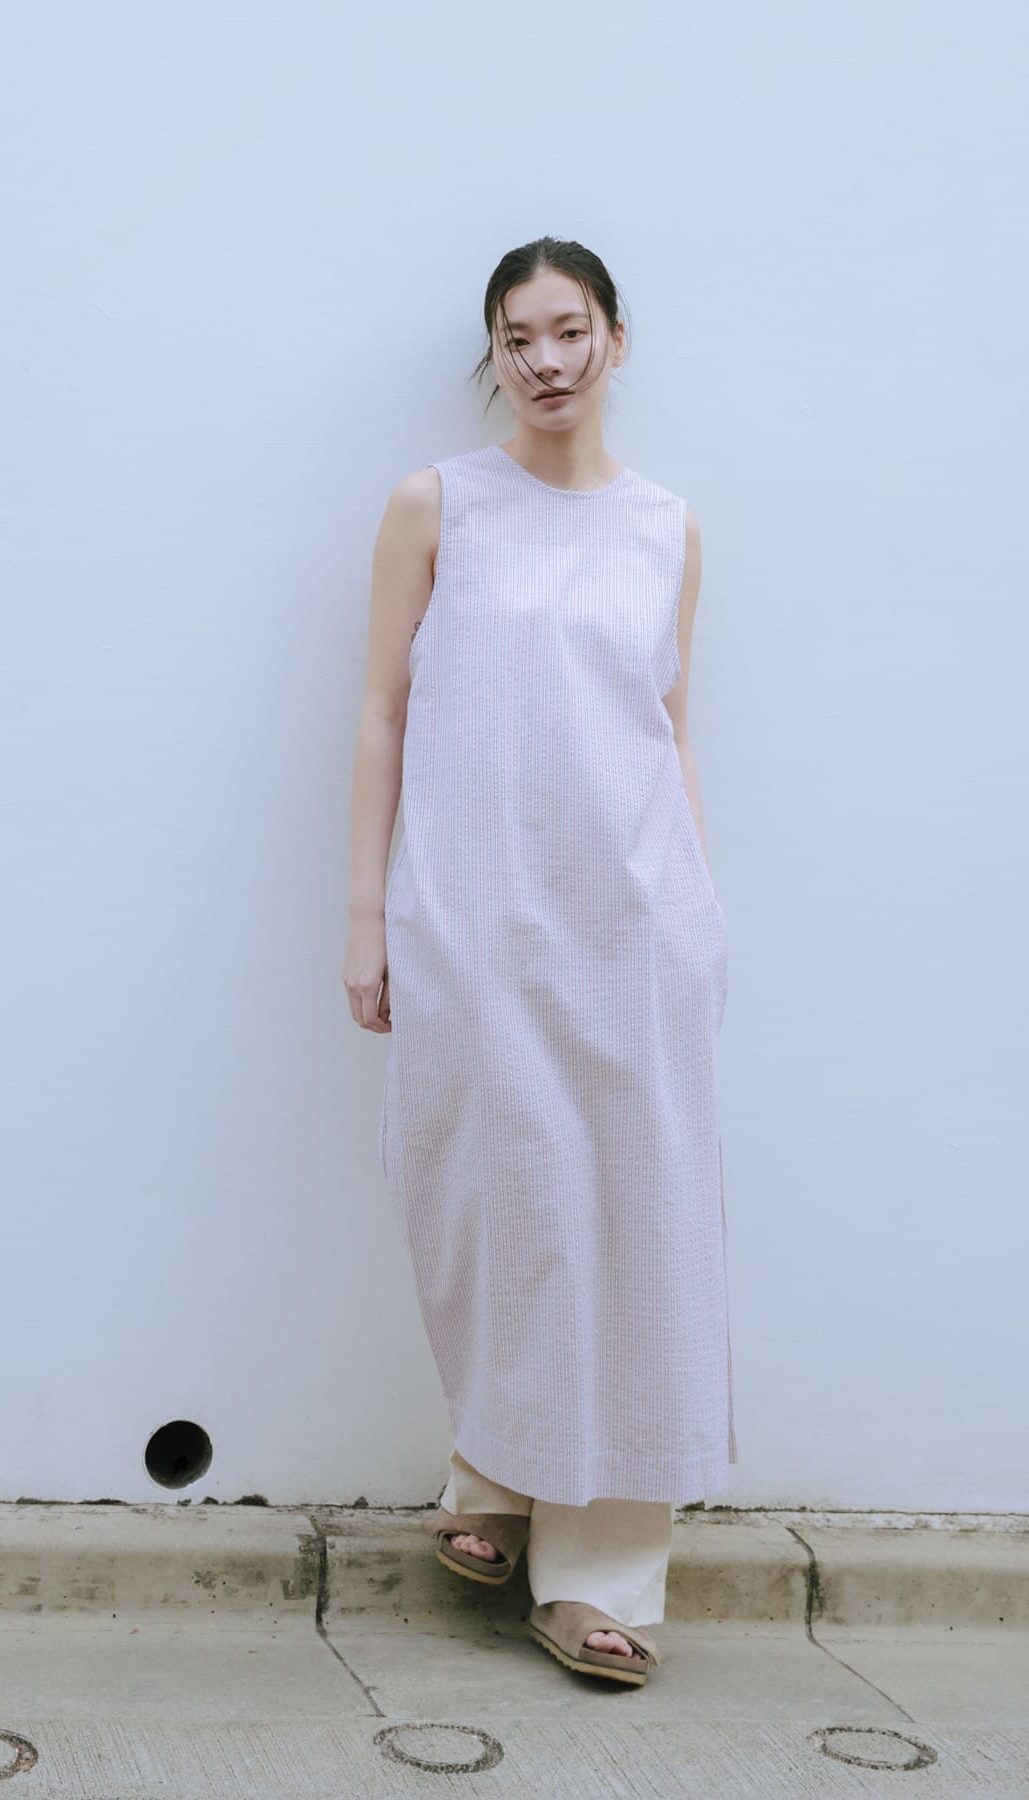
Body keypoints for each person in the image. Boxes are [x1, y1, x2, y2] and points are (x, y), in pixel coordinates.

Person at [344, 236, 733, 1687]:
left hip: (635, 923)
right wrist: (368, 915)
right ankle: (496, 1469)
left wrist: (696, 918)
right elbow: (383, 714)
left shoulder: (667, 529)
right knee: (497, 1200)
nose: (548, 360)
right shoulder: (437, 505)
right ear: (494, 355)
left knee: (634, 1226)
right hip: (472, 918)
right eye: (521, 337)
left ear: (617, 340)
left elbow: (666, 728)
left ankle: (599, 1575)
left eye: (572, 330)